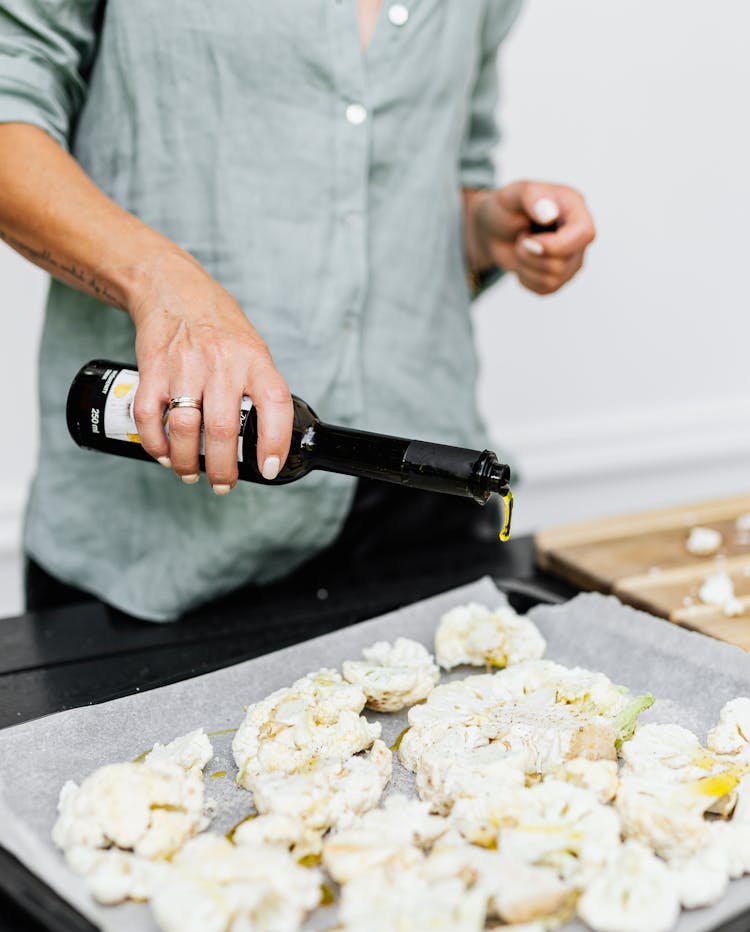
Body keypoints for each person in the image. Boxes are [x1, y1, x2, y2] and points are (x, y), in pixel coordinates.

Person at [0, 0, 595, 622]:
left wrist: (482, 228)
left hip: (424, 501)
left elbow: (441, 175)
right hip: (165, 539)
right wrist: (167, 286)